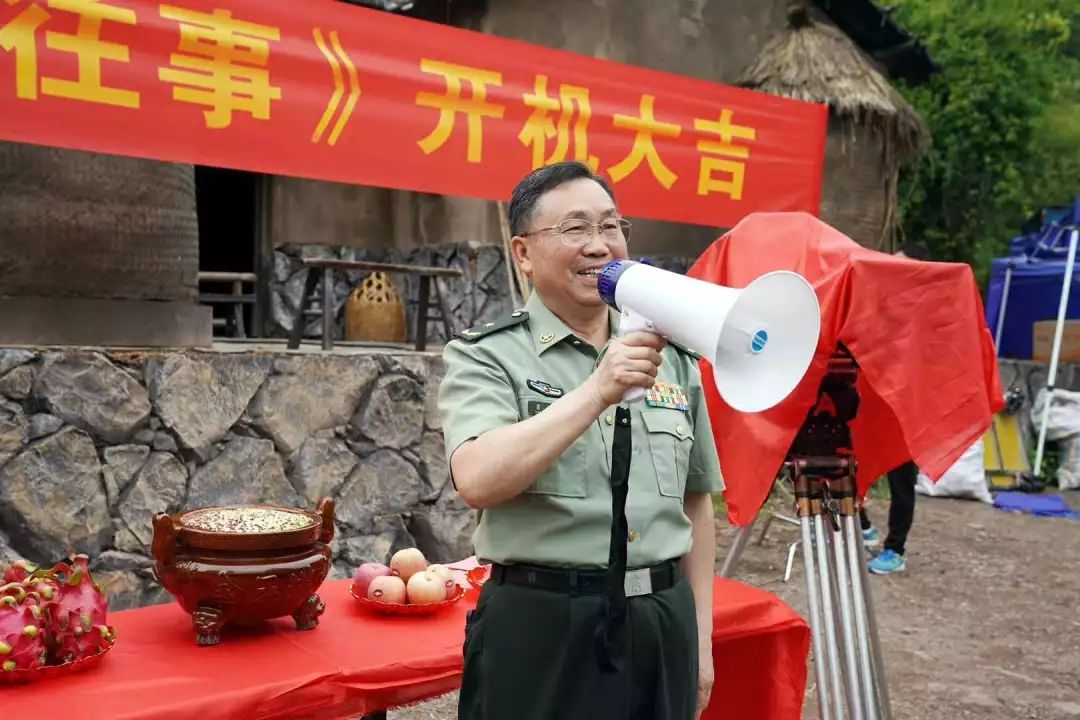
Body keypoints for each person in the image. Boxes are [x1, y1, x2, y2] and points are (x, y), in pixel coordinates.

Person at [438, 161, 724, 720]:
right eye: (575, 229)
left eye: (611, 226)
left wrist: (701, 642)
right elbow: (476, 479)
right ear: (523, 253)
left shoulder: (673, 356)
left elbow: (696, 500)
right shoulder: (488, 355)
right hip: (542, 623)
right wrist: (598, 390)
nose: (599, 246)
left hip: (664, 618)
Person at [861, 240, 932, 574]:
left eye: (900, 265)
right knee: (847, 464)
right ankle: (861, 526)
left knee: (902, 482)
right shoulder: (880, 305)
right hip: (872, 404)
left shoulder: (925, 313)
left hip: (905, 410)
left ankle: (895, 549)